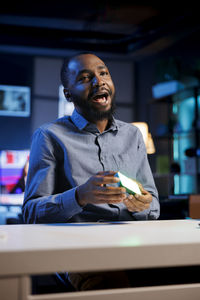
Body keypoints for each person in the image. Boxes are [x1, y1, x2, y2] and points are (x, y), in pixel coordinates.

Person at [22, 53, 160, 290]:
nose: (99, 82)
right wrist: (80, 196)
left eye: (104, 73)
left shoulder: (133, 136)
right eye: (86, 78)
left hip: (130, 242)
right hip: (75, 247)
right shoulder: (48, 136)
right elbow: (31, 213)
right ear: (68, 93)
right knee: (108, 284)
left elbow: (153, 204)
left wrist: (143, 204)